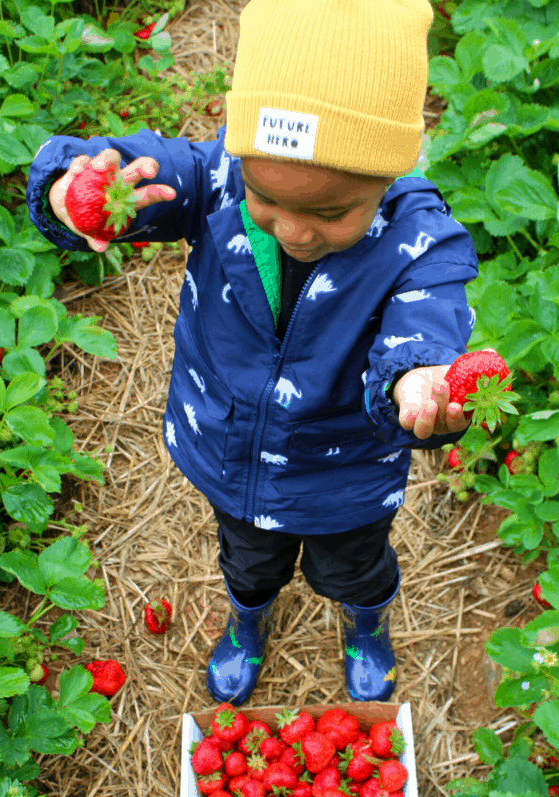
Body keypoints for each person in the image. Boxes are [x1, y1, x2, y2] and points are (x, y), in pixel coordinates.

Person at [26, 0, 477, 707]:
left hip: (344, 475)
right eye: (266, 197)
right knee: (247, 562)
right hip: (230, 452)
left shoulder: (420, 242)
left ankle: (364, 625)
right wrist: (73, 187)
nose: (295, 229)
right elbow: (117, 170)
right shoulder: (214, 181)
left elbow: (424, 326)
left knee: (353, 567)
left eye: (332, 212)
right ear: (241, 155)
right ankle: (247, 623)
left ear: (389, 173)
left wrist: (417, 379)